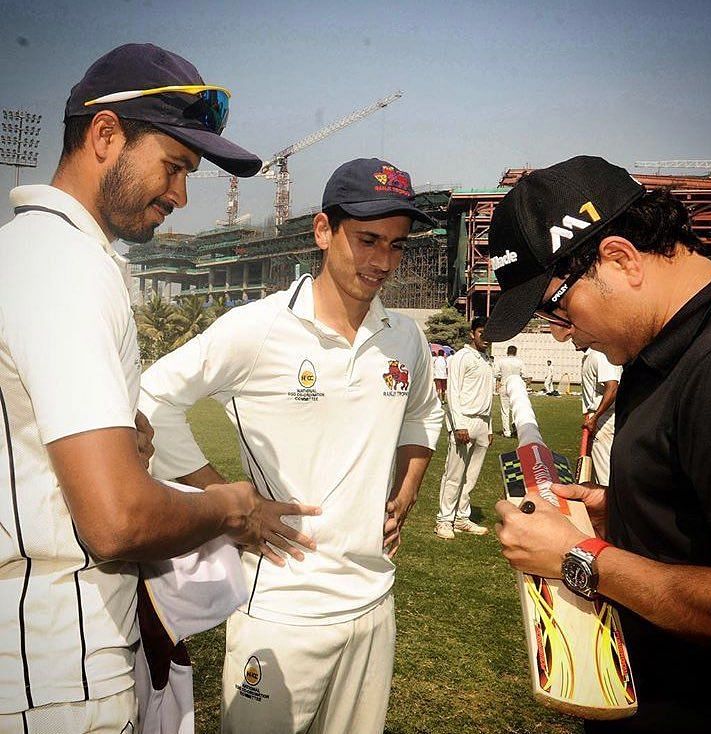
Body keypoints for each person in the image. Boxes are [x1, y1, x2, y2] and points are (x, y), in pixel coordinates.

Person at [0, 43, 320, 733]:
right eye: (173, 167)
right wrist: (226, 506)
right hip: (56, 674)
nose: (179, 195)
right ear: (105, 135)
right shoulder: (65, 265)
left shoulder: (23, 252)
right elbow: (117, 521)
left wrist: (124, 451)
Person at [139, 157, 443, 734]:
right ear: (323, 230)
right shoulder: (258, 328)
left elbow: (423, 415)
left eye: (398, 246)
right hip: (281, 610)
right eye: (368, 240)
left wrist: (404, 495)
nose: (383, 262)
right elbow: (153, 398)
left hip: (375, 603)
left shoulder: (403, 335)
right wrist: (229, 502)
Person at [487, 155, 711, 733]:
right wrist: (625, 508)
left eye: (555, 306)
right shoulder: (671, 341)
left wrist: (582, 560)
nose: (563, 333)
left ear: (620, 259)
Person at [434, 317, 494, 539]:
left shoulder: (487, 360)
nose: (485, 337)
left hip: (481, 421)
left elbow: (488, 395)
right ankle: (444, 520)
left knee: (471, 476)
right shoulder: (461, 357)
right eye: (481, 332)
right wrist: (458, 424)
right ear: (472, 334)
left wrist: (489, 426)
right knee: (454, 474)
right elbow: (453, 392)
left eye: (488, 333)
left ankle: (461, 517)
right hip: (465, 421)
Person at [579, 347, 621, 485]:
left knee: (605, 468)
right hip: (599, 415)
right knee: (598, 465)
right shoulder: (591, 355)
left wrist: (596, 417)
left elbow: (613, 387)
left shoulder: (601, 354)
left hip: (605, 417)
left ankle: (609, 504)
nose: (572, 339)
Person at [495, 345, 525, 437]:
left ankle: (507, 432)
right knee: (515, 408)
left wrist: (500, 379)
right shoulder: (519, 362)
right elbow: (525, 375)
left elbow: (496, 374)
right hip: (515, 386)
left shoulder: (501, 361)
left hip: (504, 385)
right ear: (515, 352)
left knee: (505, 410)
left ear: (507, 352)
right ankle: (515, 426)